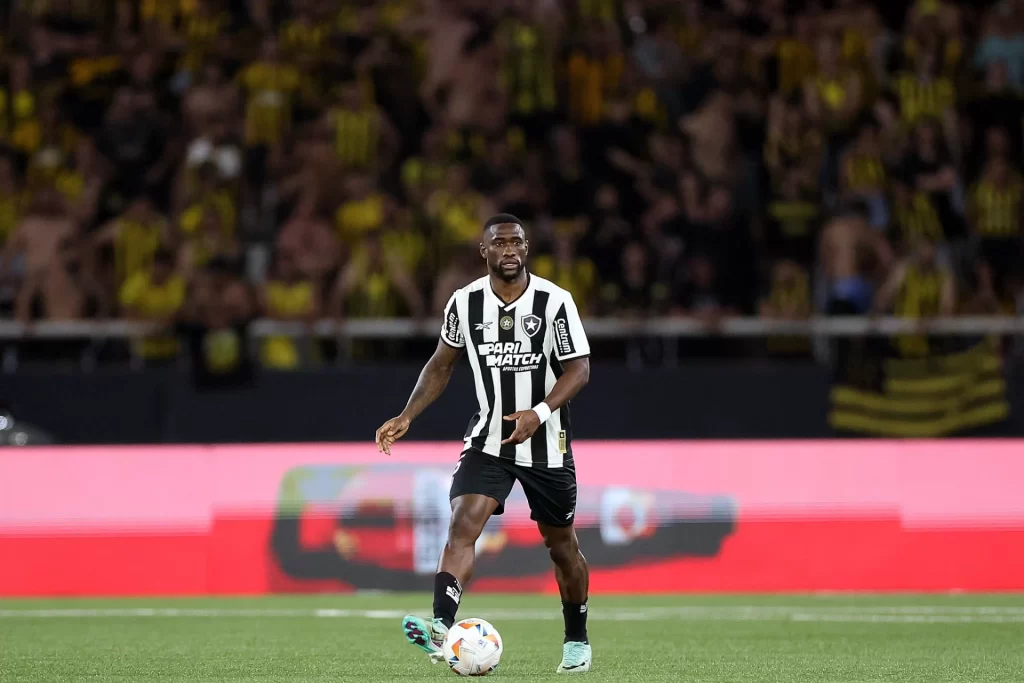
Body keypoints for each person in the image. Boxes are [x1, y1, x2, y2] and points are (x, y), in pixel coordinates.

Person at [375, 214, 593, 674]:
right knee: (462, 524)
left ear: (527, 248)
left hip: (546, 444)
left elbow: (579, 369)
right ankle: (441, 624)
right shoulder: (465, 302)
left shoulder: (555, 302)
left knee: (562, 548)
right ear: (485, 251)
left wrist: (540, 412)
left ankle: (576, 638)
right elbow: (440, 365)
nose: (509, 250)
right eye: (500, 243)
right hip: (489, 439)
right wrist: (407, 415)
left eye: (517, 242)